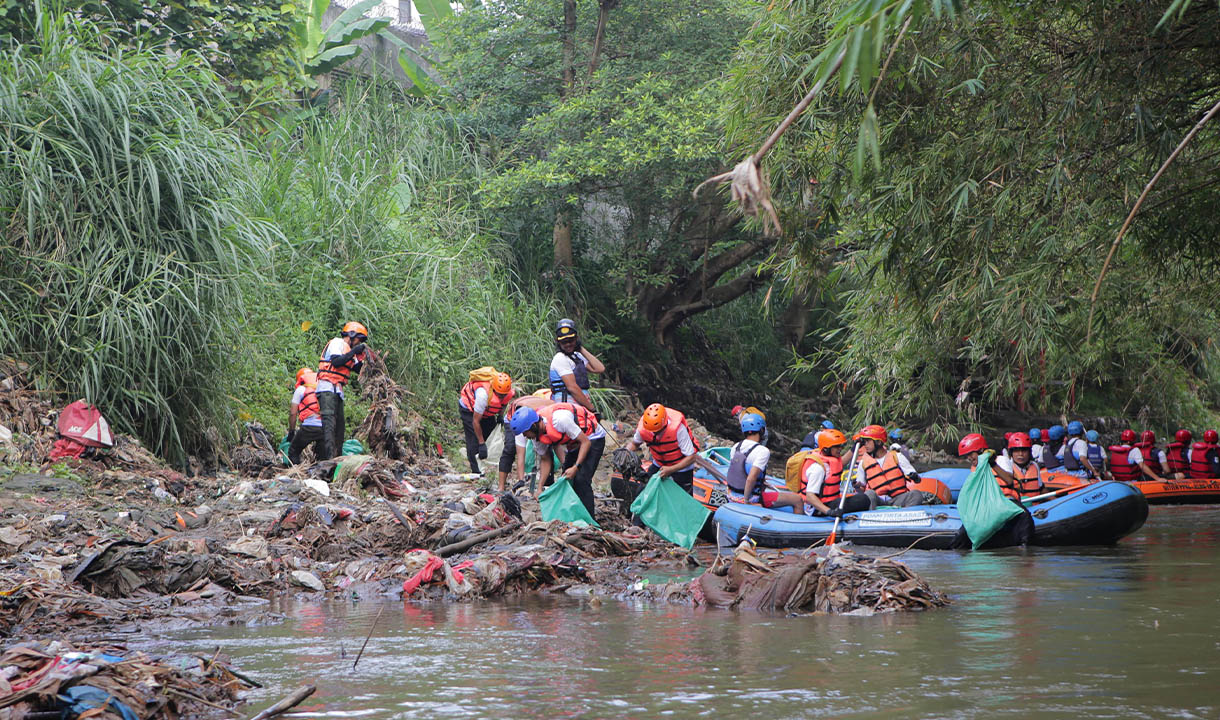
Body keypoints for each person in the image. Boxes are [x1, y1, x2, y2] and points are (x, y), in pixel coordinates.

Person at [513, 402, 606, 519]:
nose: (525, 436)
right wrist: (540, 487)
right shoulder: (536, 437)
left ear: (533, 425)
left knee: (581, 479)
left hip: (592, 438)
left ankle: (589, 521)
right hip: (574, 444)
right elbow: (545, 459)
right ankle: (573, 516)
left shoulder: (560, 420)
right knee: (565, 479)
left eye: (526, 433)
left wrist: (576, 467)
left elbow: (585, 442)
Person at [725, 413, 803, 511]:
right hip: (748, 499)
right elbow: (751, 478)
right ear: (761, 430)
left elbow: (738, 472)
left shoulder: (736, 446)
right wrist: (746, 501)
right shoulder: (762, 451)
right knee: (798, 500)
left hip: (731, 495)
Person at [315, 321, 369, 460]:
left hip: (337, 391)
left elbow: (358, 369)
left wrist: (366, 361)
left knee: (340, 428)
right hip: (327, 388)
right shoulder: (337, 343)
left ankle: (336, 460)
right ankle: (326, 460)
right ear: (351, 335)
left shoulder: (350, 352)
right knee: (329, 426)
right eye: (359, 339)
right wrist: (353, 352)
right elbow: (336, 362)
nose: (358, 343)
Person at [626, 403, 700, 493]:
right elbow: (634, 443)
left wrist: (671, 469)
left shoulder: (678, 429)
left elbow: (691, 457)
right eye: (651, 431)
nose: (654, 434)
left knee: (682, 497)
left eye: (657, 431)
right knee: (643, 491)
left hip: (681, 466)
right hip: (659, 463)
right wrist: (625, 452)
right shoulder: (644, 428)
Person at [853, 425, 932, 507]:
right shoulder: (863, 463)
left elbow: (917, 480)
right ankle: (871, 517)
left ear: (878, 442)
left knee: (916, 494)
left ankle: (906, 515)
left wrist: (915, 477)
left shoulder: (897, 456)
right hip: (878, 500)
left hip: (898, 498)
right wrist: (857, 486)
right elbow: (860, 490)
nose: (865, 445)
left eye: (868, 441)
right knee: (869, 494)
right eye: (864, 442)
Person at [801, 429, 874, 517]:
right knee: (862, 500)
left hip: (829, 501)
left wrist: (854, 448)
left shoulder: (828, 458)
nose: (840, 448)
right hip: (817, 508)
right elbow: (810, 497)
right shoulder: (818, 469)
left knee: (862, 498)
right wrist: (829, 512)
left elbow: (840, 464)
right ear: (826, 448)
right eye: (836, 446)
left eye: (840, 446)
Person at [497, 392, 556, 491]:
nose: (525, 436)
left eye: (526, 434)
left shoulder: (546, 419)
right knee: (510, 449)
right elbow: (521, 455)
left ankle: (549, 483)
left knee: (549, 449)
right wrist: (521, 481)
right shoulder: (520, 428)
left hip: (542, 414)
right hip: (514, 417)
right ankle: (501, 487)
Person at [458, 371, 515, 474]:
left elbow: (503, 404)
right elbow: (476, 421)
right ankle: (477, 472)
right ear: (493, 389)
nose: (501, 397)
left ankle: (488, 463)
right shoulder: (482, 395)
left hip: (486, 411)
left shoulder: (507, 393)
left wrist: (500, 416)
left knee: (490, 433)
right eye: (499, 395)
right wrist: (481, 443)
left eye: (503, 395)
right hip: (469, 409)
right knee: (474, 439)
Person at [548, 318, 605, 413]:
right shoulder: (560, 358)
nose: (568, 344)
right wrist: (591, 409)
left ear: (576, 339)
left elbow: (599, 368)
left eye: (571, 340)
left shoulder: (577, 356)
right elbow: (572, 387)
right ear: (558, 342)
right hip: (567, 409)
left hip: (580, 406)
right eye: (564, 342)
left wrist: (580, 348)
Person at [286, 368, 325, 465]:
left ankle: (295, 473)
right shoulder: (324, 387)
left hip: (310, 426)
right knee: (323, 456)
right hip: (326, 427)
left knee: (293, 451)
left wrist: (291, 431)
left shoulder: (300, 389)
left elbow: (293, 413)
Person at [994, 432, 1044, 499]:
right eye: (1016, 451)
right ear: (1011, 453)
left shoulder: (1035, 466)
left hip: (1036, 507)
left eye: (1024, 451)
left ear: (1029, 452)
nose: (1020, 454)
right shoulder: (1007, 468)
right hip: (1016, 507)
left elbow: (1042, 489)